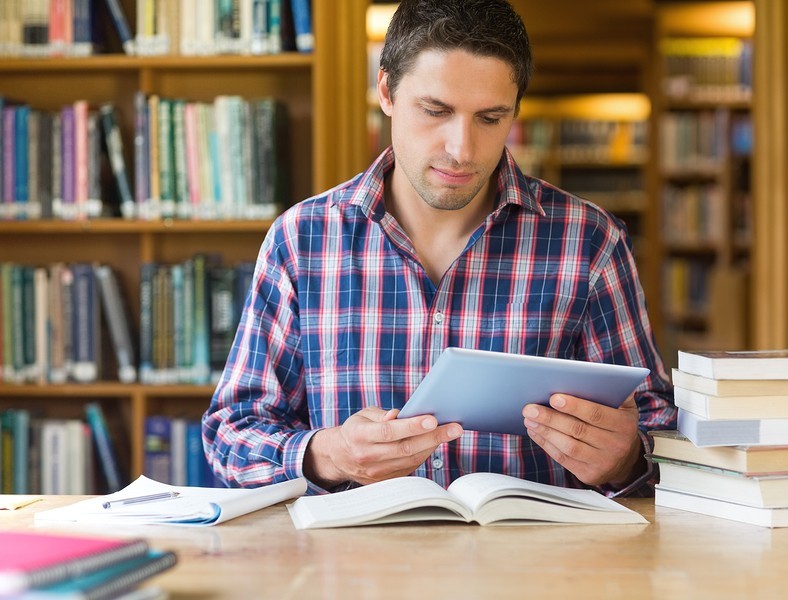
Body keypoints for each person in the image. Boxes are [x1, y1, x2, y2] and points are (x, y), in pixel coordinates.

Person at [202, 0, 676, 496]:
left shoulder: (590, 242)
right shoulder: (302, 240)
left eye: (491, 119)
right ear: (386, 91)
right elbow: (230, 434)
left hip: (534, 568)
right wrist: (328, 455)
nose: (462, 149)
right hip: (354, 568)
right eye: (435, 111)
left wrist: (628, 458)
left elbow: (657, 425)